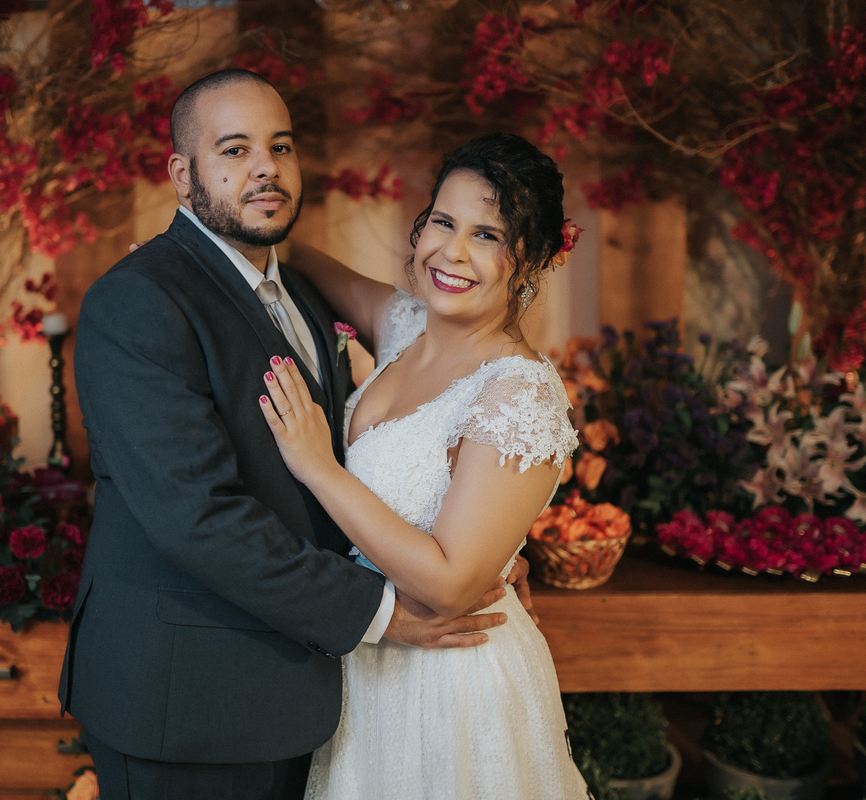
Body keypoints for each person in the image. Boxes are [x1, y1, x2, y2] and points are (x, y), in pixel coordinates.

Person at [58, 69, 533, 800]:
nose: (264, 169)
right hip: (190, 704)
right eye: (235, 150)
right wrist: (383, 613)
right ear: (183, 175)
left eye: (279, 147)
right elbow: (197, 516)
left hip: (309, 694)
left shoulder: (301, 291)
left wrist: (478, 544)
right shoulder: (139, 303)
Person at [257, 133, 590, 799]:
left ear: (529, 259)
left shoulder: (519, 391)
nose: (453, 252)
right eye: (443, 221)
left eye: (488, 234)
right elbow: (286, 253)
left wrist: (318, 466)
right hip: (368, 659)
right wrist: (183, 268)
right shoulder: (405, 324)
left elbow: (450, 585)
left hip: (452, 681)